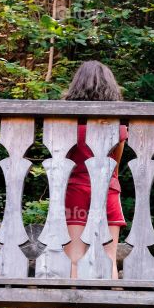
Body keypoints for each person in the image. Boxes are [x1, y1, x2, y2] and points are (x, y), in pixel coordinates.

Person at [62, 61, 126, 277]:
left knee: (73, 259)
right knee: (109, 259)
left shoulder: (67, 122)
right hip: (108, 189)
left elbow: (63, 160)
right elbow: (115, 163)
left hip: (76, 189)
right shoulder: (118, 126)